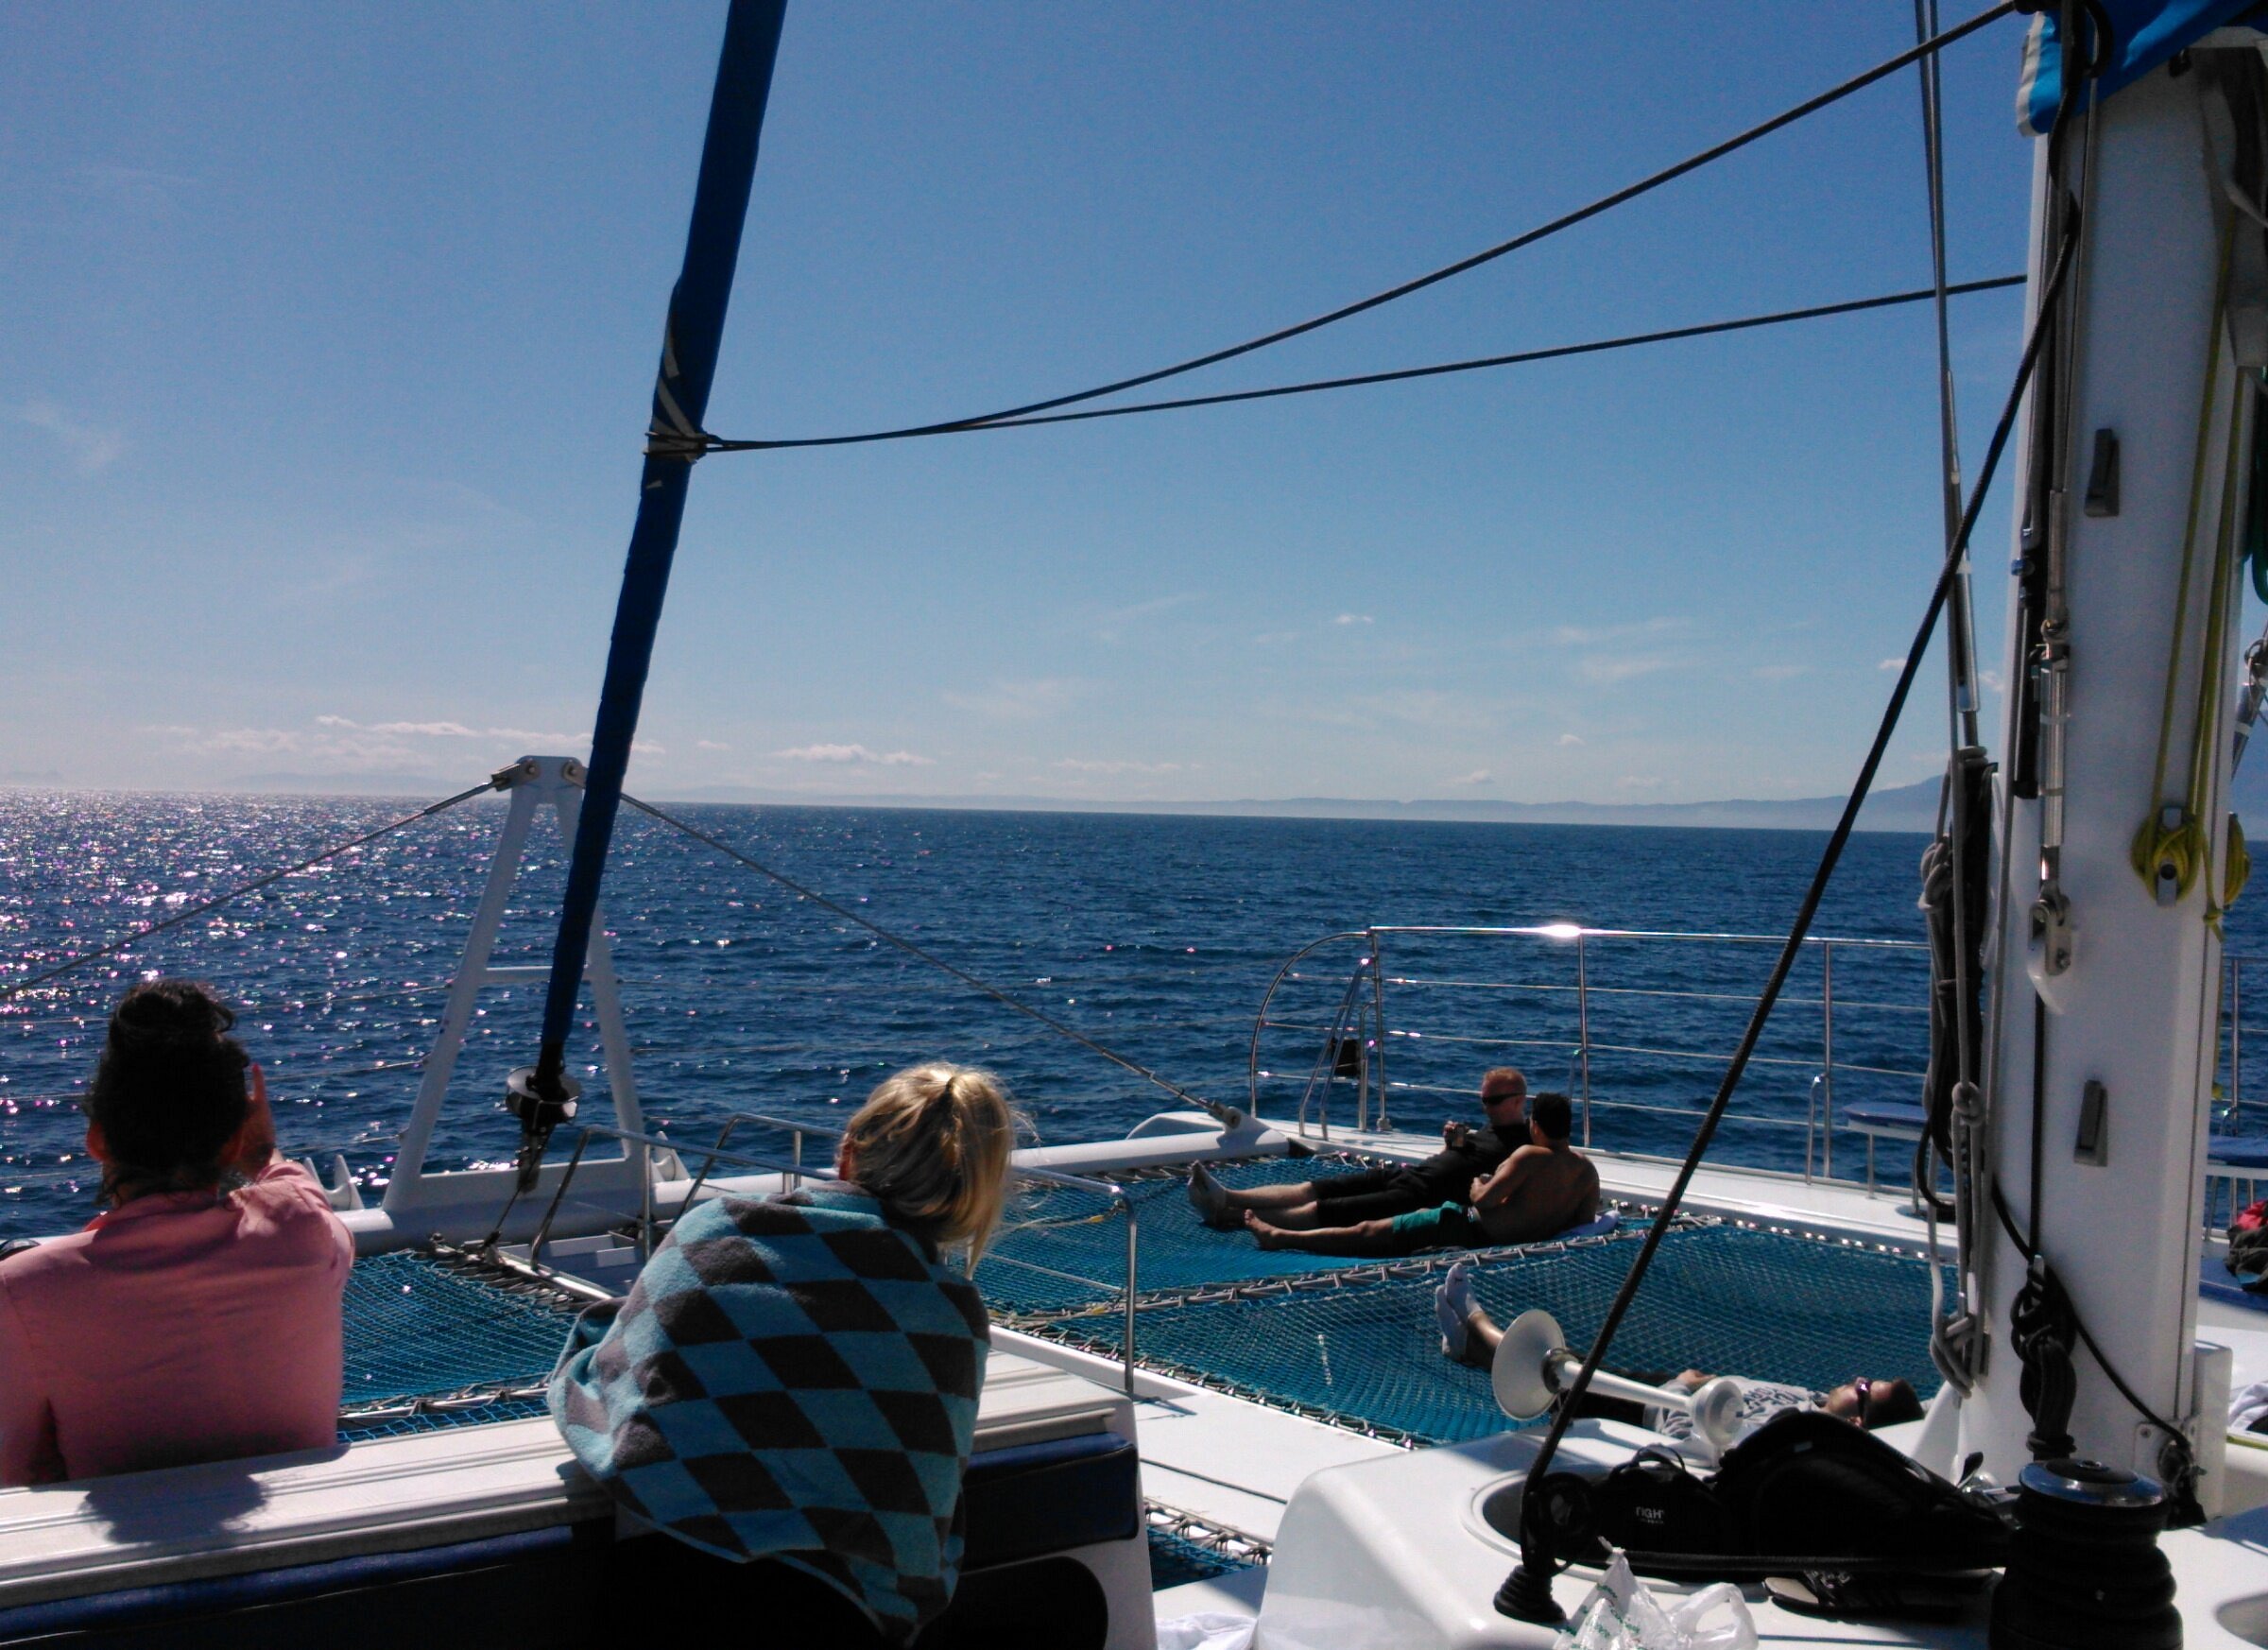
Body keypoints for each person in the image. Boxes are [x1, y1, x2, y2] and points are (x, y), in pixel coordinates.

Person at [552, 1062, 1021, 1648]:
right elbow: (913, 1505)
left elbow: (615, 1374)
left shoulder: (713, 1230)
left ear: (848, 1155)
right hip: (833, 1620)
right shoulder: (950, 1314)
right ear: (973, 1195)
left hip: (658, 1592)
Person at [0, 979, 353, 1487]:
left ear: (97, 1139)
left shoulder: (25, 1289)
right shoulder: (302, 1230)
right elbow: (281, 1179)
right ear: (234, 1139)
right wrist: (255, 1153)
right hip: (312, 1534)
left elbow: (24, 1470)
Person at [1430, 1260, 1924, 1443]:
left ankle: (1478, 1330)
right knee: (1569, 1365)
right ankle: (1472, 1343)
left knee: (1557, 1373)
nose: (1856, 1377)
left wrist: (1682, 1391)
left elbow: (1691, 1445)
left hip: (1650, 1408)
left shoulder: (1787, 1437)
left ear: (1857, 1421)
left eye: (1863, 1387)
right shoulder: (1816, 1405)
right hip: (1676, 1387)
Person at [1242, 1089, 1599, 1256]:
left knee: (1368, 1231)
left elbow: (1486, 1202)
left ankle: (1282, 1237)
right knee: (1373, 1225)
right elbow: (1580, 1222)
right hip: (1511, 1241)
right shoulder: (1586, 1170)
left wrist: (1479, 1185)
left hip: (1469, 1227)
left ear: (1535, 1125)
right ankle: (1280, 1228)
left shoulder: (1531, 1155)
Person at [1187, 1067, 1529, 1231]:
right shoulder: (1491, 1127)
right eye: (1483, 1100)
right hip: (1408, 1175)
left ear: (1518, 1102)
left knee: (1328, 1208)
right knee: (1315, 1187)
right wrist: (1453, 1144)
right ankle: (1229, 1195)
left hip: (1424, 1195)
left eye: (1494, 1101)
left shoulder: (1524, 1146)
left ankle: (1233, 1218)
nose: (1487, 1107)